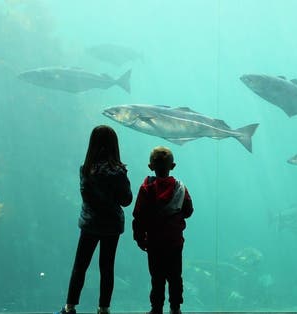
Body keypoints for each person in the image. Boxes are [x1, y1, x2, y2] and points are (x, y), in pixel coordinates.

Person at [56, 125, 133, 314]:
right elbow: (127, 200)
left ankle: (70, 307)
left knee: (80, 266)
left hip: (90, 223)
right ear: (115, 145)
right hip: (111, 225)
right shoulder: (118, 172)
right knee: (107, 268)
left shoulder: (86, 169)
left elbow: (86, 197)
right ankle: (104, 309)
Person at [133, 146, 194, 314]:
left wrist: (139, 237)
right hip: (174, 243)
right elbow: (188, 211)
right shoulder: (180, 188)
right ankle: (175, 308)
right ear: (172, 166)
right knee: (175, 277)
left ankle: (156, 309)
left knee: (157, 278)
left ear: (150, 166)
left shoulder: (146, 188)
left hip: (154, 243)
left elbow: (139, 215)